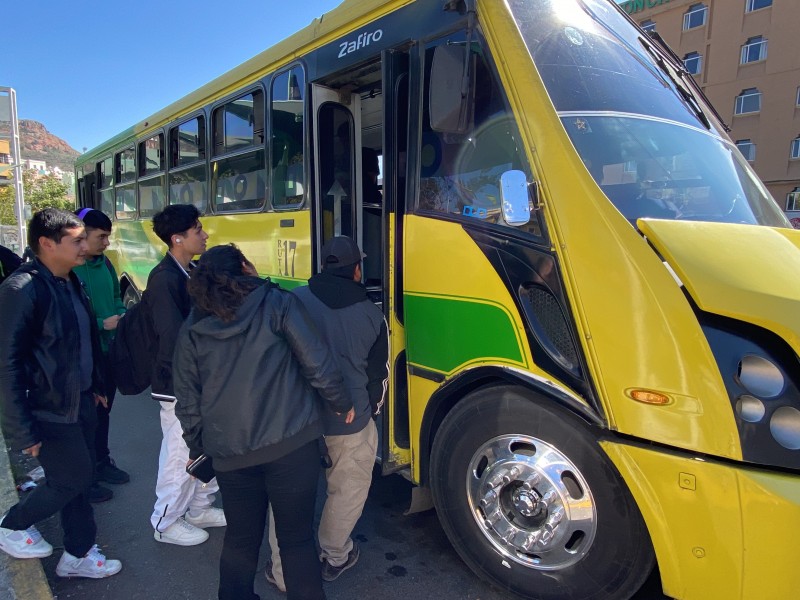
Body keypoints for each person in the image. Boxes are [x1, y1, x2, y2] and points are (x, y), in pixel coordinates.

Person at [173, 244, 354, 600]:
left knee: (241, 539)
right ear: (244, 267)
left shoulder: (192, 328)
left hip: (231, 455)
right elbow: (316, 363)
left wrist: (202, 446)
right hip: (292, 445)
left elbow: (187, 400)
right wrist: (340, 402)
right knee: (296, 539)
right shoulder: (278, 303)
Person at [0, 208, 122, 578]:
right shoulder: (21, 289)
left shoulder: (71, 281)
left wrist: (97, 386)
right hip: (49, 409)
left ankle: (79, 553)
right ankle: (11, 525)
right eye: (77, 241)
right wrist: (22, 432)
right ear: (46, 243)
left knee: (80, 484)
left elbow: (83, 341)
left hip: (81, 401)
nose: (85, 247)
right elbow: (6, 366)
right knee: (72, 480)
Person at [266, 236, 388, 589]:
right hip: (350, 422)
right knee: (347, 489)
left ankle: (282, 571)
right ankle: (334, 554)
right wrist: (369, 415)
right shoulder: (371, 313)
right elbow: (378, 375)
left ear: (323, 266)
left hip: (296, 421)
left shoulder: (292, 302)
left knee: (288, 500)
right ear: (357, 269)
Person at [145, 204, 225, 546]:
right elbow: (175, 337)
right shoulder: (164, 279)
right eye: (197, 230)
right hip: (180, 387)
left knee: (209, 449)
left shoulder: (189, 270)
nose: (205, 235)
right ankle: (165, 522)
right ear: (178, 238)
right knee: (181, 455)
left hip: (201, 383)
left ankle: (198, 507)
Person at [73, 208, 130, 505]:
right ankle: (87, 477)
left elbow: (116, 298)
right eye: (102, 236)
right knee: (87, 418)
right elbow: (68, 319)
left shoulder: (105, 264)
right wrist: (100, 325)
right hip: (85, 357)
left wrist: (120, 314)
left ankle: (102, 461)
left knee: (104, 412)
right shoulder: (71, 268)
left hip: (108, 353)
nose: (106, 242)